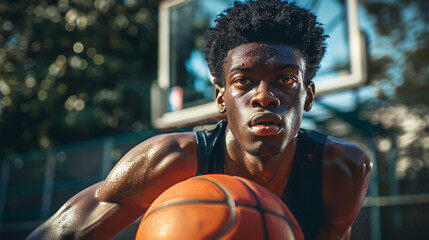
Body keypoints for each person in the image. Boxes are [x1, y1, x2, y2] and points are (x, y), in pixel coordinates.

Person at [27, 0, 372, 239]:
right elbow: (64, 233)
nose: (264, 96)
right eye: (243, 81)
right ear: (221, 98)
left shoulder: (342, 169)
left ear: (307, 96)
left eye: (285, 80)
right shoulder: (169, 160)